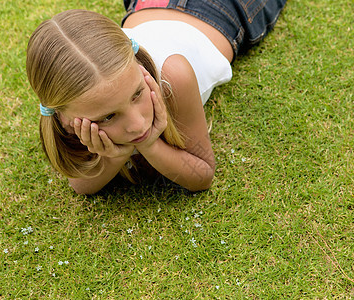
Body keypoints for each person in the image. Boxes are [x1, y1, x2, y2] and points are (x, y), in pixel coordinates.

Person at [26, 1, 287, 194]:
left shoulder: (172, 76)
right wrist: (114, 156)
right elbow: (81, 186)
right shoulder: (76, 102)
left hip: (222, 8)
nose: (138, 124)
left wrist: (150, 144)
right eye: (108, 117)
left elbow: (203, 176)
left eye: (137, 93)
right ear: (64, 118)